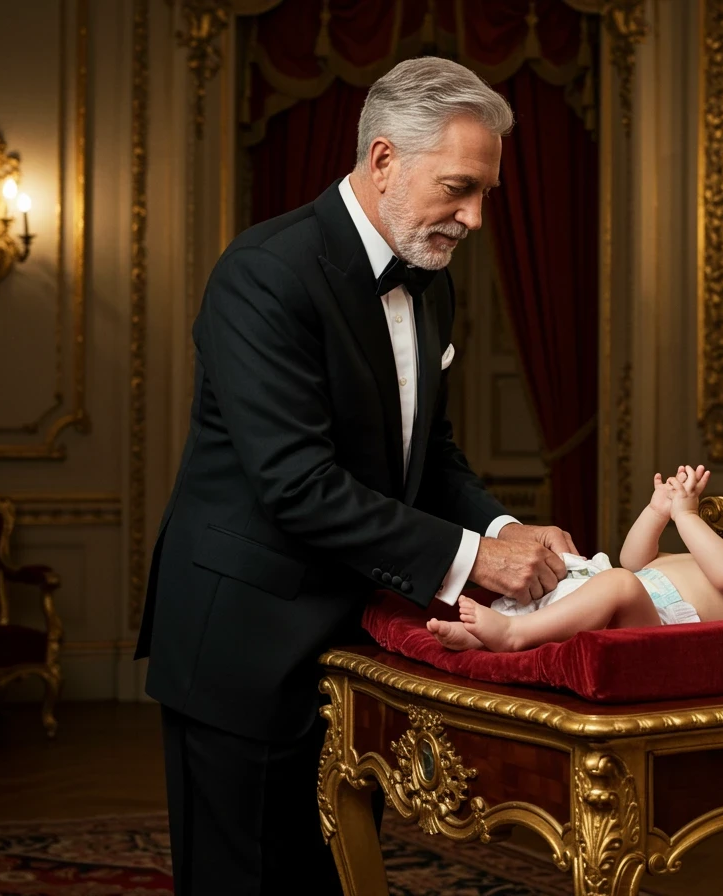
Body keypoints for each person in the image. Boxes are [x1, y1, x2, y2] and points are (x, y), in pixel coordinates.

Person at [133, 57, 579, 895]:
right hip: (243, 641)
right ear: (383, 160)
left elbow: (429, 453)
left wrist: (500, 528)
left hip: (351, 644)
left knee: (333, 876)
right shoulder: (264, 273)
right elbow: (298, 484)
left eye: (486, 193)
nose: (476, 217)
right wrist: (474, 562)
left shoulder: (432, 279)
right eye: (459, 188)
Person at [428, 466, 723, 652]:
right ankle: (482, 636)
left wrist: (687, 515)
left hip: (658, 628)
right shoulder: (706, 556)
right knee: (575, 566)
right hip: (624, 595)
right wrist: (658, 511)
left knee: (620, 584)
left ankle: (513, 633)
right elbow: (634, 557)